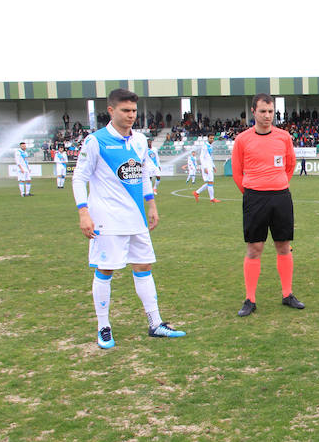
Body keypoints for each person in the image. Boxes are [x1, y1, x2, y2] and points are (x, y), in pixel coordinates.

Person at [72, 88, 185, 348]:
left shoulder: (140, 141)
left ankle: (155, 323)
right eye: (125, 110)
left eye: (134, 110)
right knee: (106, 269)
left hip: (136, 219)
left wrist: (152, 205)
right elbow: (79, 177)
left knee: (144, 266)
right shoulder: (96, 141)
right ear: (111, 111)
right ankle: (103, 327)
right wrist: (83, 212)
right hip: (106, 219)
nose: (131, 115)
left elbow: (144, 174)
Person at [231, 93, 304, 317]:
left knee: (283, 245)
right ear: (253, 111)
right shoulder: (243, 139)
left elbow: (290, 165)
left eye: (271, 111)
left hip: (281, 196)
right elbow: (237, 172)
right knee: (255, 248)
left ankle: (287, 294)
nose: (267, 116)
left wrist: (277, 184)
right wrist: (254, 190)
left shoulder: (284, 137)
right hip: (255, 197)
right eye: (262, 111)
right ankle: (250, 299)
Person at [193, 135, 220, 203]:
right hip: (206, 166)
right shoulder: (205, 146)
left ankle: (197, 192)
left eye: (213, 138)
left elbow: (209, 157)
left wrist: (213, 166)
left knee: (210, 182)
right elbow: (201, 157)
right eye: (211, 138)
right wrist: (204, 167)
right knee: (210, 182)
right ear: (208, 138)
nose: (212, 139)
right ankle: (212, 199)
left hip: (210, 166)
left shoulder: (210, 146)